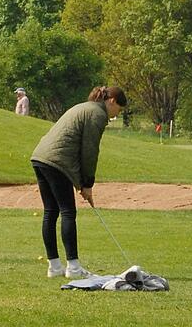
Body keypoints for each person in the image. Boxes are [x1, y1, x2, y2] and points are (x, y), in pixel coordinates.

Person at [30, 86, 127, 279]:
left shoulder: (84, 107)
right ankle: (73, 267)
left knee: (51, 212)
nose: (117, 115)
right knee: (68, 211)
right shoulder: (97, 114)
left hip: (39, 157)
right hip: (57, 161)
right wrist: (88, 183)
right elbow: (89, 151)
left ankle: (55, 267)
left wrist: (82, 183)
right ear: (112, 101)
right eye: (120, 110)